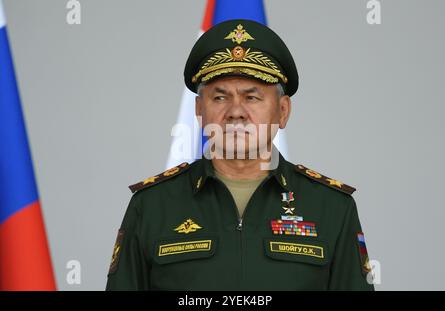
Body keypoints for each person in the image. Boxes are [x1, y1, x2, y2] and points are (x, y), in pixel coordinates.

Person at [106, 19, 374, 291]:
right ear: (199, 110)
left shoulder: (331, 208)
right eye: (220, 97)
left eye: (252, 97)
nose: (236, 112)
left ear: (282, 111)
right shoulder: (152, 206)